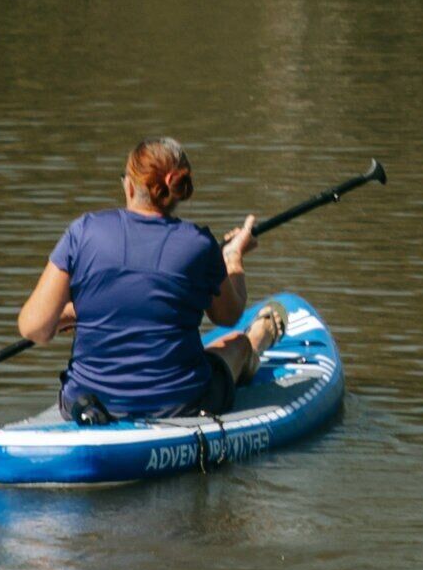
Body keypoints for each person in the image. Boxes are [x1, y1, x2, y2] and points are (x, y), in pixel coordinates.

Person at [16, 137, 289, 423]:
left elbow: (34, 329)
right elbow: (229, 315)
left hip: (88, 400)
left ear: (130, 185)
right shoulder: (199, 244)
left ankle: (258, 335)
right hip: (182, 403)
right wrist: (233, 258)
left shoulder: (82, 231)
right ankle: (259, 336)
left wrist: (77, 312)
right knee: (236, 344)